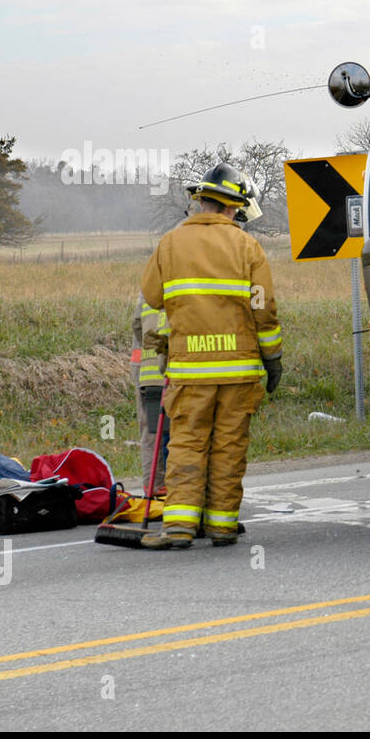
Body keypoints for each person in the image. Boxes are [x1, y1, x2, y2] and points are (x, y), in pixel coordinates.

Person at [138, 162, 283, 549]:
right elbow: (263, 309)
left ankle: (181, 528)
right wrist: (274, 360)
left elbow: (152, 296)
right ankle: (222, 526)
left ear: (200, 201)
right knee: (229, 446)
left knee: (187, 443)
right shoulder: (247, 246)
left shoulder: (170, 243)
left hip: (191, 371)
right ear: (233, 206)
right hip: (240, 372)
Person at [129, 292, 170, 491]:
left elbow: (137, 324)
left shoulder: (147, 289)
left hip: (145, 373)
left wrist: (149, 346)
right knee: (176, 432)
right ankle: (173, 488)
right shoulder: (183, 284)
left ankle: (153, 486)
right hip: (170, 372)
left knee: (151, 431)